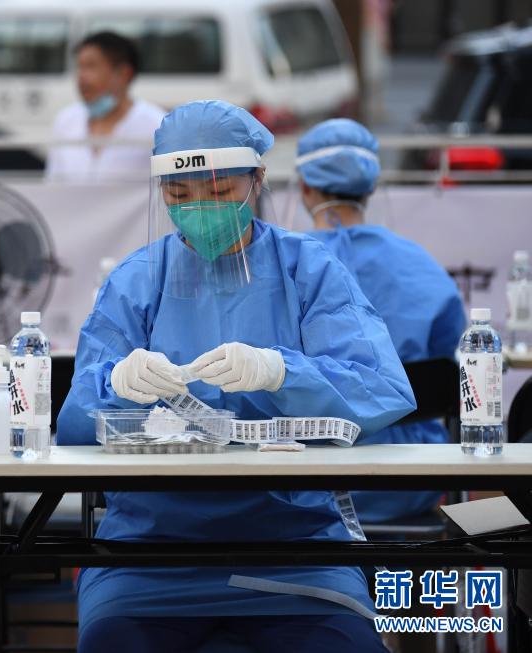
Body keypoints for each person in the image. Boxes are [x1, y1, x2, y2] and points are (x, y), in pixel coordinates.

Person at [57, 100, 415, 652]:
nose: (199, 209)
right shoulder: (136, 281)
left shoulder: (308, 270)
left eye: (220, 192)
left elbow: (382, 389)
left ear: (258, 180)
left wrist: (281, 371)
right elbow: (73, 426)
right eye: (179, 195)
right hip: (150, 549)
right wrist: (115, 386)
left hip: (292, 543)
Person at [296, 118, 467, 523]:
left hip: (307, 483)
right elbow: (453, 360)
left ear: (303, 187)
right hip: (411, 476)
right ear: (371, 187)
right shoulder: (420, 264)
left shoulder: (285, 263)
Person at [44, 31, 165, 182]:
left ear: (124, 73)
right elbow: (53, 183)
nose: (81, 77)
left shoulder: (157, 126)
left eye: (91, 66)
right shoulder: (65, 120)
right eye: (79, 67)